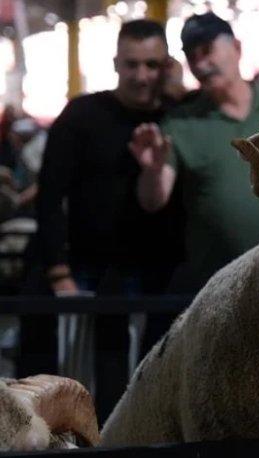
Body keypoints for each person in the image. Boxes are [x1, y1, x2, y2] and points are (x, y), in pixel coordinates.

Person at [34, 19, 185, 409]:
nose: (140, 75)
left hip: (156, 275)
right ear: (116, 63)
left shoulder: (179, 117)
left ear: (165, 66)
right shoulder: (82, 115)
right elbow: (49, 196)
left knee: (149, 387)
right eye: (131, 64)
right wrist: (60, 272)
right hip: (88, 272)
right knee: (78, 384)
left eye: (151, 65)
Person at [130, 12, 259, 291]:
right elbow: (152, 200)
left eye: (207, 51)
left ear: (237, 48)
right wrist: (153, 170)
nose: (201, 64)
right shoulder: (180, 124)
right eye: (192, 57)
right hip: (220, 290)